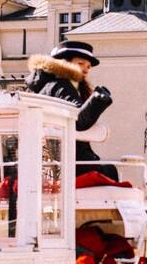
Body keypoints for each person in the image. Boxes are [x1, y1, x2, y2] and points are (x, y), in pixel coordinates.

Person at [25, 39, 115, 179]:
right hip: (66, 160)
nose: (85, 69)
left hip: (52, 160)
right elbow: (78, 121)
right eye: (80, 63)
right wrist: (99, 98)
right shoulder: (62, 85)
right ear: (64, 62)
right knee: (110, 171)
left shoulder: (50, 84)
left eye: (89, 66)